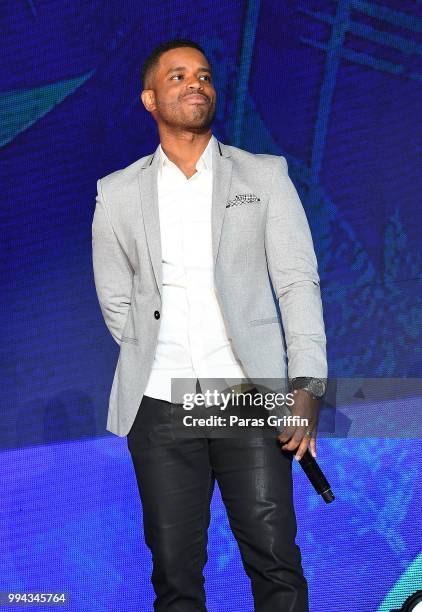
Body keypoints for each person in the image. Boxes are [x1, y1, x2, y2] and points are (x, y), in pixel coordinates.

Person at [92, 38, 327, 612]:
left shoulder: (264, 176)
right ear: (150, 100)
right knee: (175, 575)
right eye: (177, 77)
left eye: (203, 75)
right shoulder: (117, 193)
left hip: (247, 398)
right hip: (160, 405)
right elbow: (117, 303)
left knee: (275, 562)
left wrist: (308, 385)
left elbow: (297, 282)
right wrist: (159, 355)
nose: (195, 83)